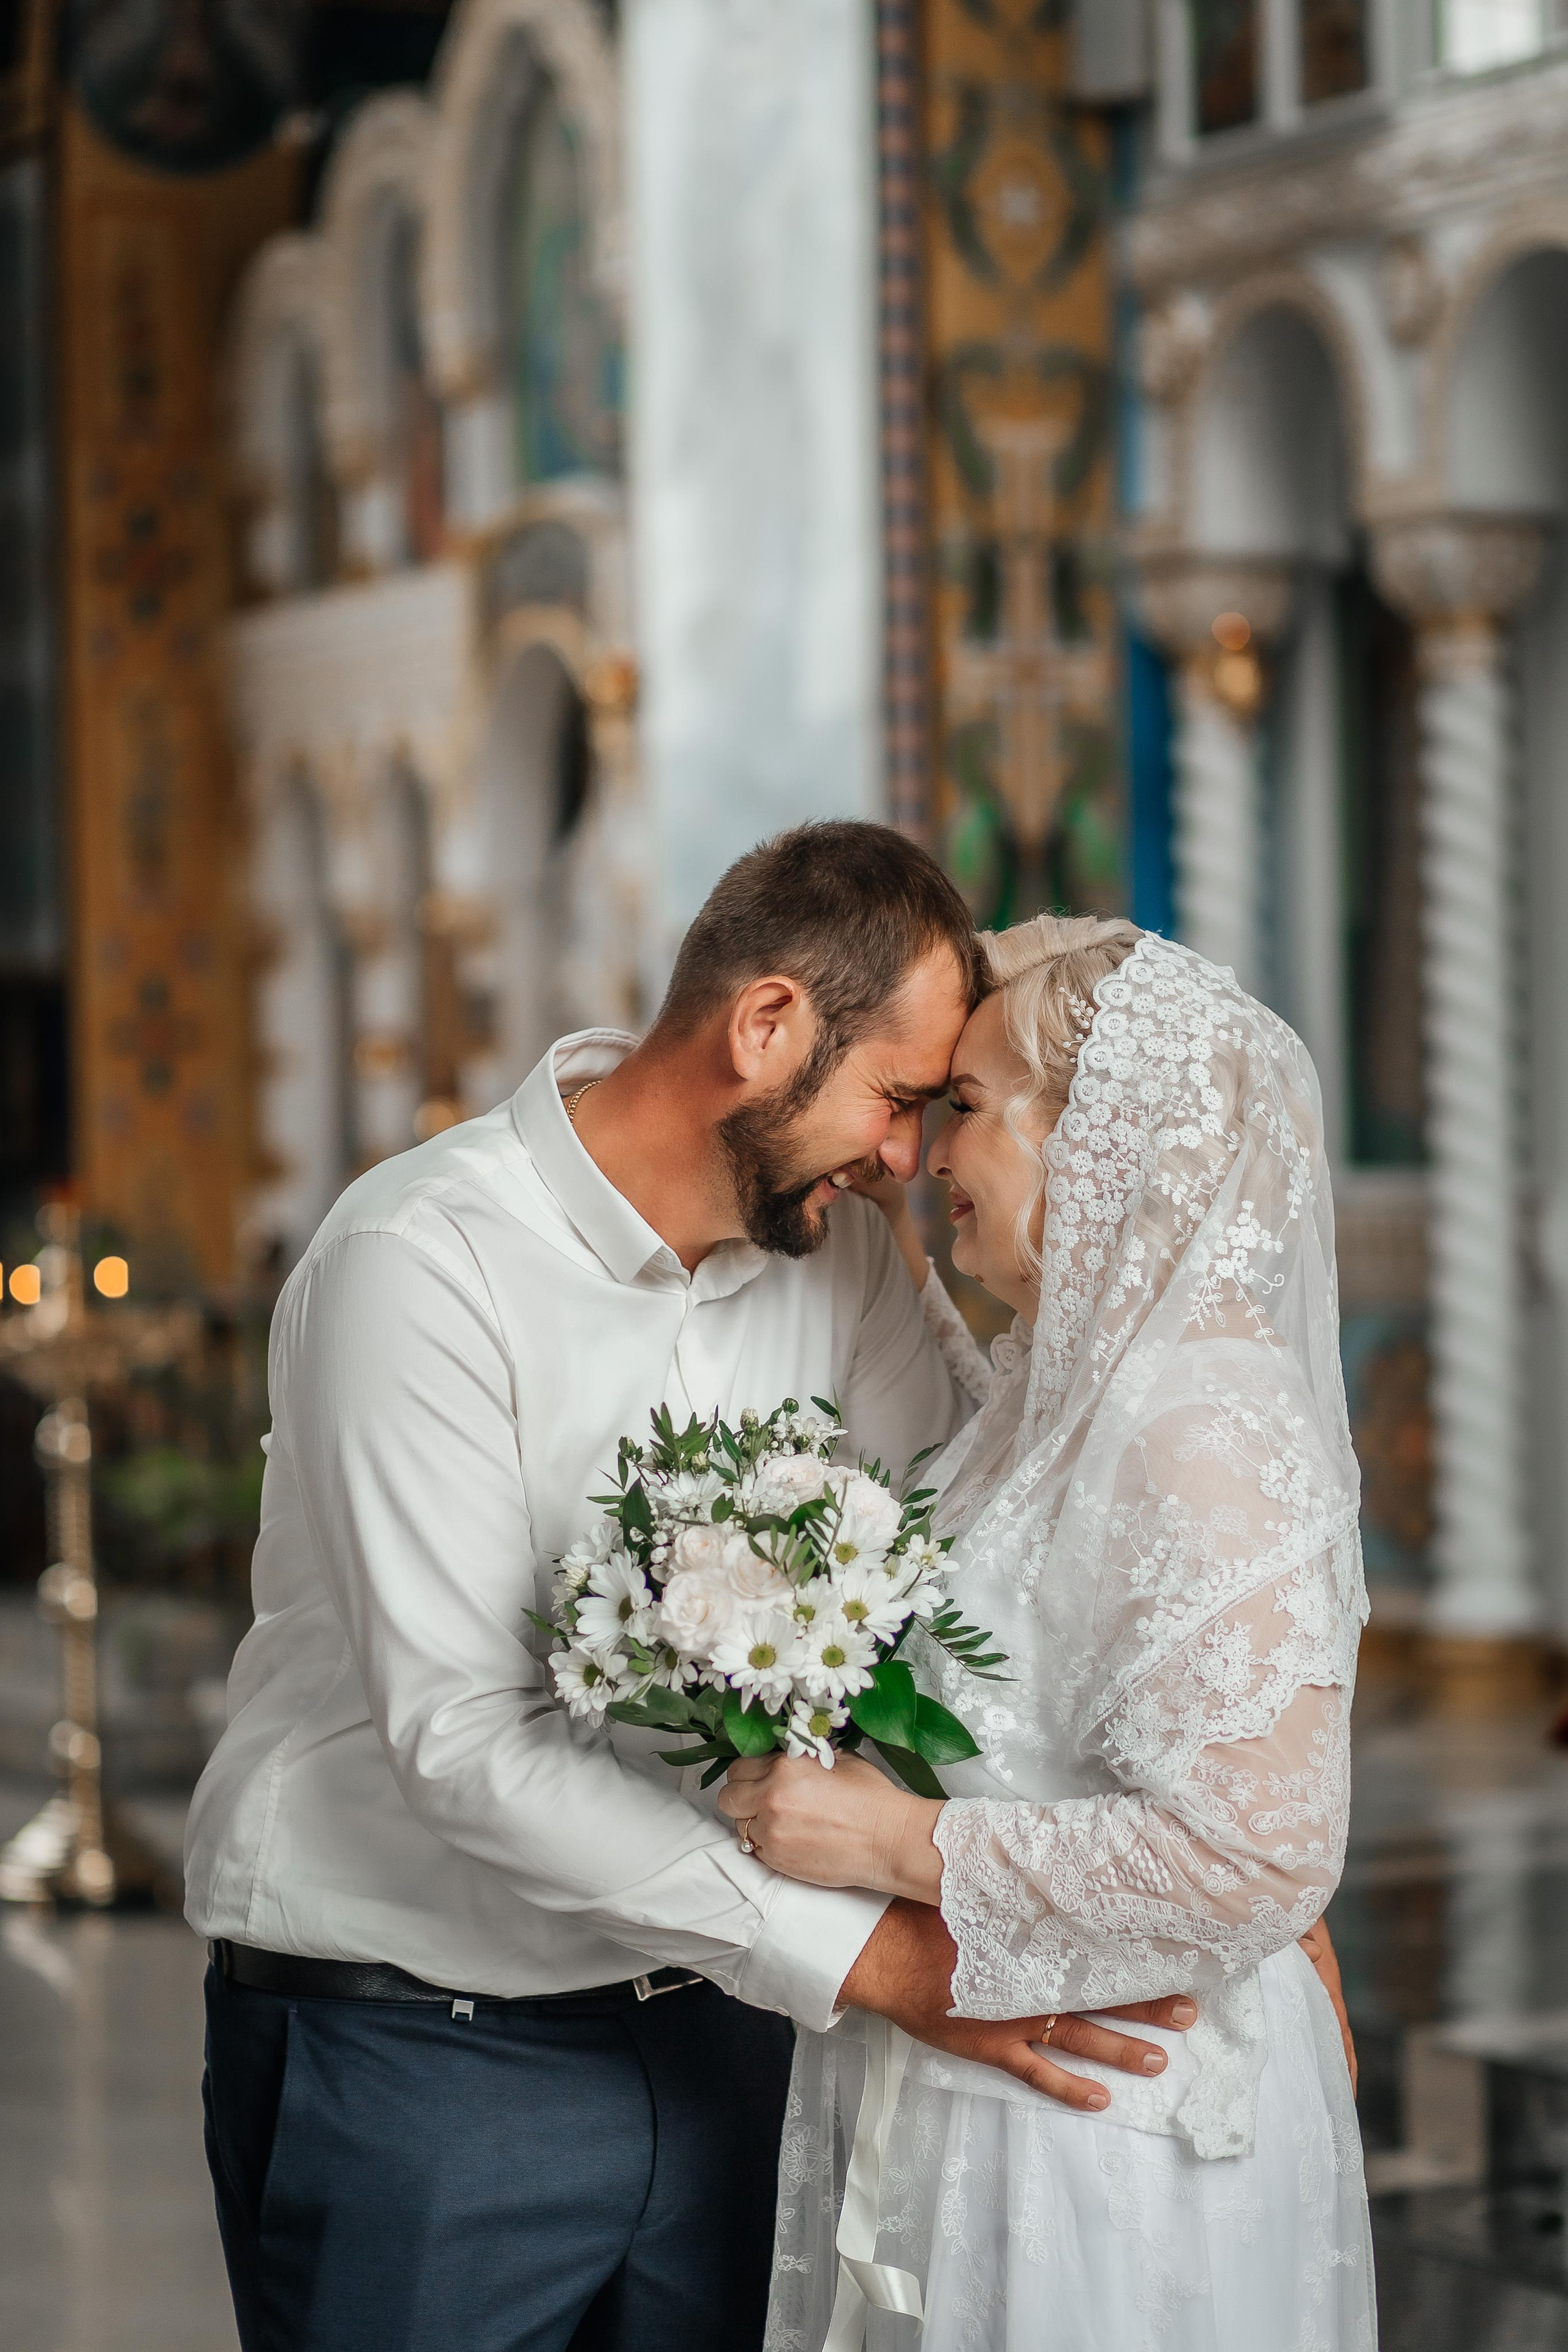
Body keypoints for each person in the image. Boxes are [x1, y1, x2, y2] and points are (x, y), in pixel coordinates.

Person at [184, 828, 1204, 2352]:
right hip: (422, 2049)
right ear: (765, 1027)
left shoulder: (840, 1262)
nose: (906, 1158)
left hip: (738, 2037)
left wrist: (1212, 1826)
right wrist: (875, 1959)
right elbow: (466, 1742)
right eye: (898, 1099)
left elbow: (980, 1551)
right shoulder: (420, 1262)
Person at [722, 914, 1376, 2352]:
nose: (931, 1158)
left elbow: (1257, 1850)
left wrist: (887, 1846)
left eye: (965, 1107)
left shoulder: (1200, 1422)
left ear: (1109, 1136)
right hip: (995, 2087)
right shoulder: (1047, 1401)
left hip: (1111, 2131)